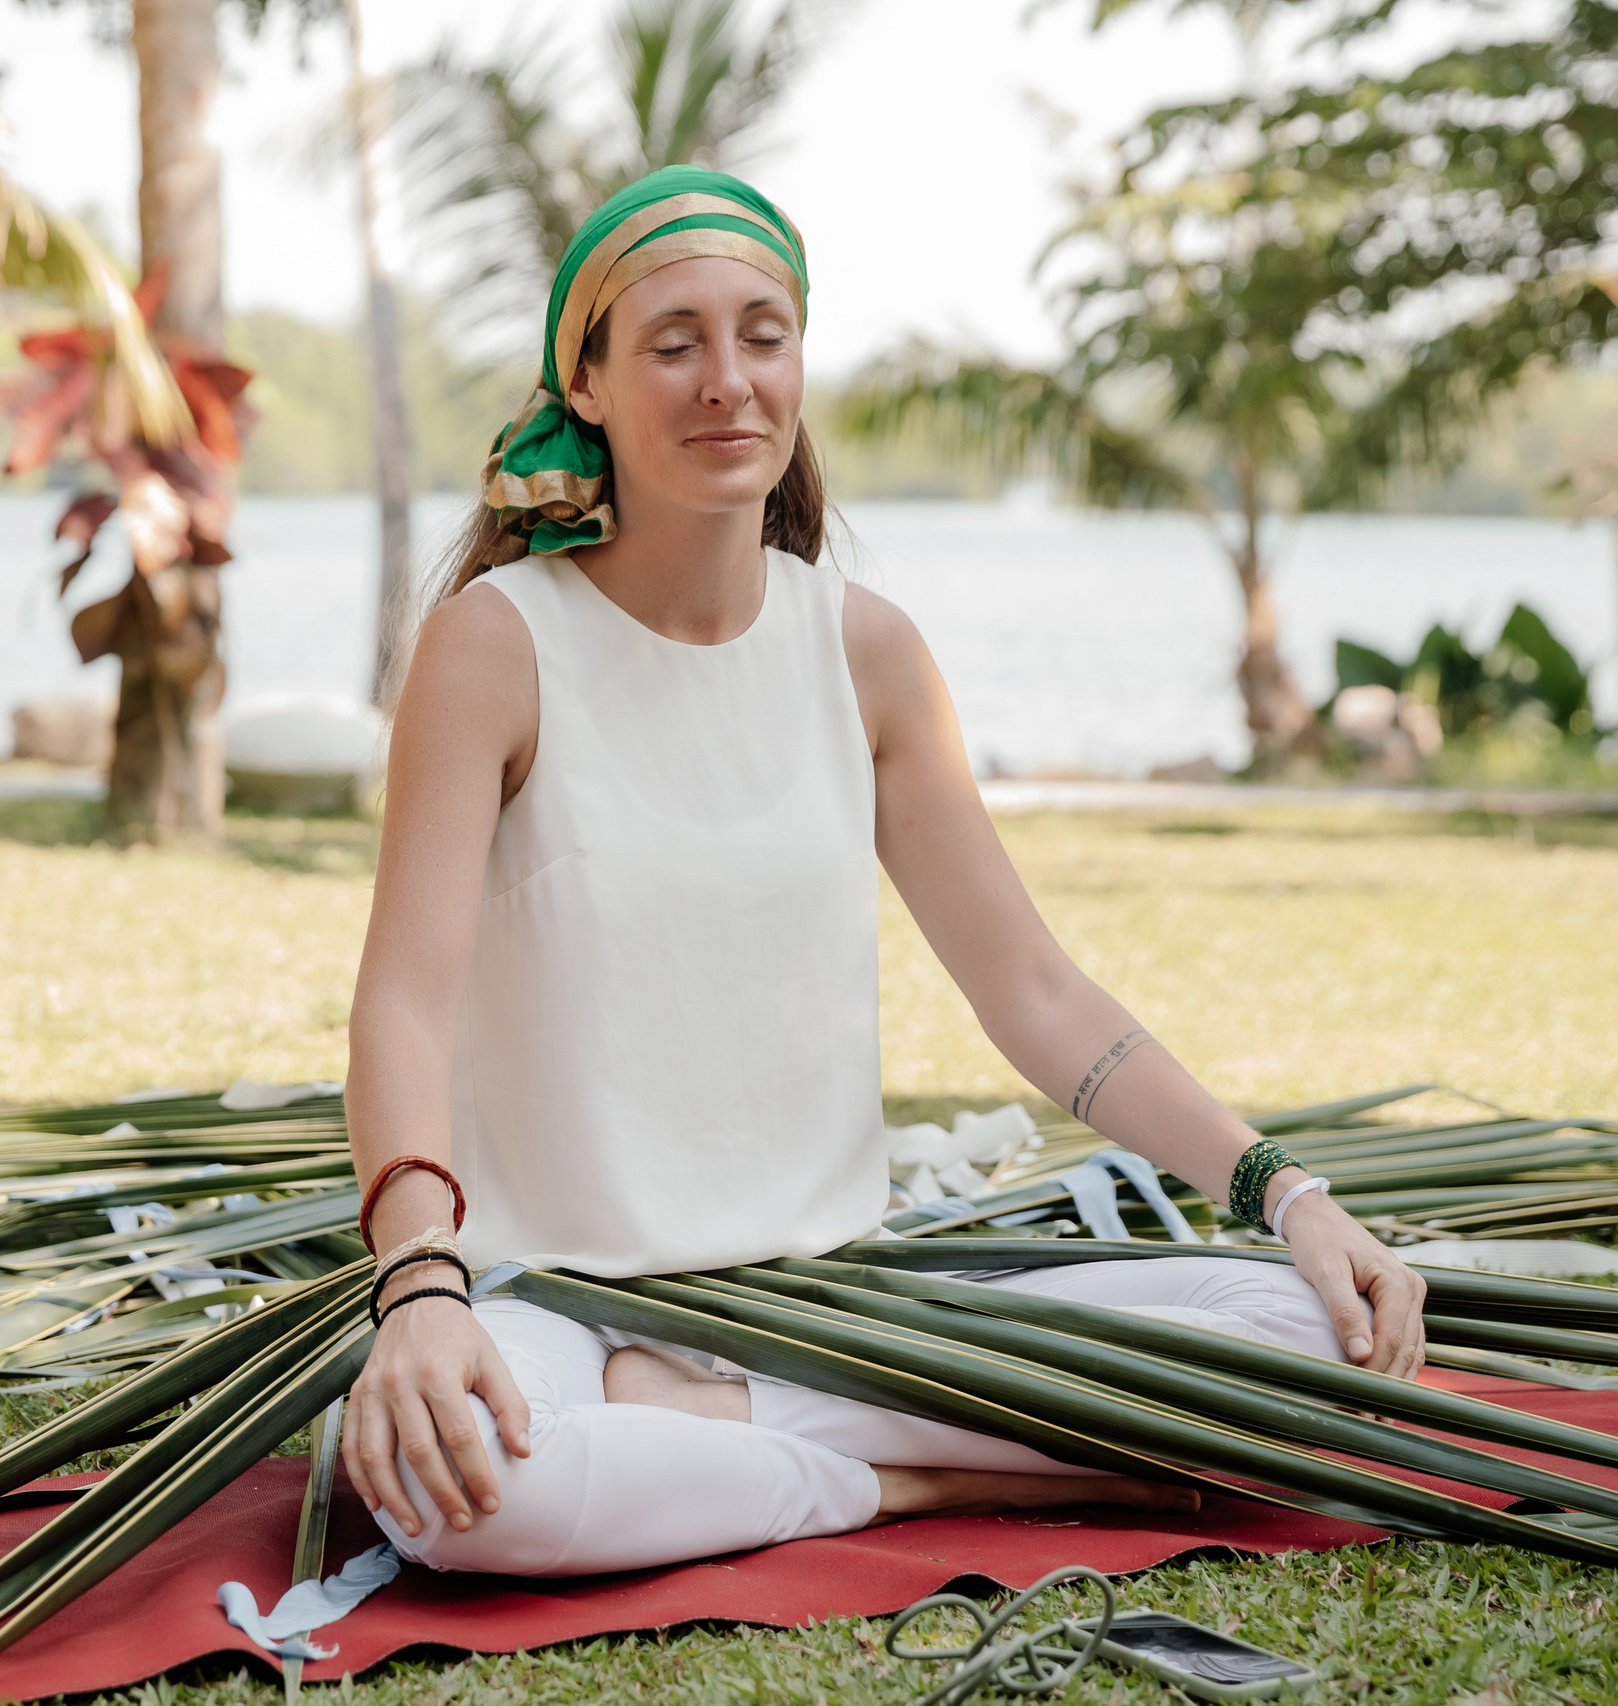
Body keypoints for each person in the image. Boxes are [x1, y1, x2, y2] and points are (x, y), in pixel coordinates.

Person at [339, 165, 1429, 1579]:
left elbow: (1034, 991)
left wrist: (1291, 1195)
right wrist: (422, 1289)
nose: (728, 381)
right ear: (588, 384)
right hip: (558, 1300)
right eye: (673, 343)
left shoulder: (867, 652)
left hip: (836, 1305)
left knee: (1319, 1336)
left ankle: (726, 1431)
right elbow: (403, 1007)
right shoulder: (497, 643)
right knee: (463, 1493)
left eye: (764, 335)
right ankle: (903, 1478)